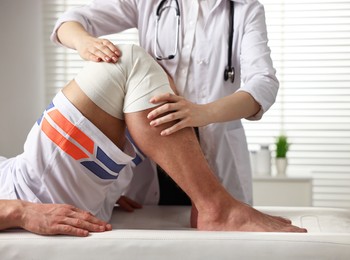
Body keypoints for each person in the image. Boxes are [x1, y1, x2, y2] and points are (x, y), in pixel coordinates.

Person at [0, 44, 306, 235]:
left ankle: (213, 203)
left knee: (156, 78)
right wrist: (22, 211)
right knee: (129, 63)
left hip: (35, 182)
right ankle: (215, 206)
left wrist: (104, 189)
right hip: (30, 190)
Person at [51, 0, 278, 208]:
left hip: (215, 154)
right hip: (154, 152)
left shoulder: (246, 9)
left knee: (219, 234)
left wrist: (202, 113)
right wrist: (85, 42)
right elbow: (70, 21)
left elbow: (264, 83)